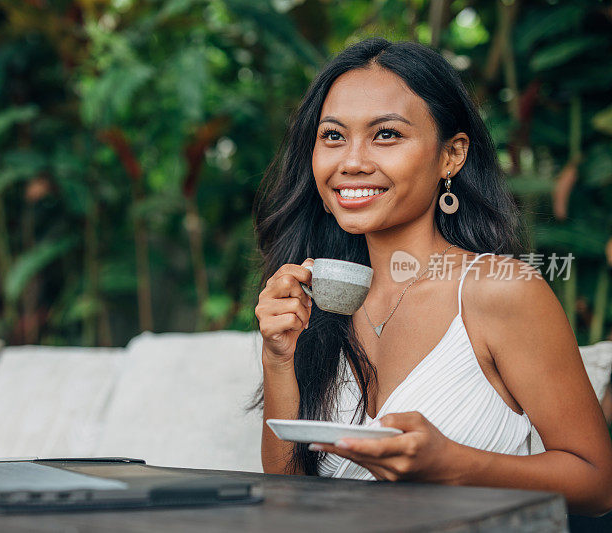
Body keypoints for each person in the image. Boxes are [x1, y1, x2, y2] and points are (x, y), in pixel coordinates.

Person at [251, 37, 612, 516]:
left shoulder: (498, 290)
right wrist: (278, 358)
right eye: (333, 136)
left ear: (452, 155)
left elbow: (597, 484)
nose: (352, 161)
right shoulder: (318, 297)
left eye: (386, 135)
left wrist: (452, 465)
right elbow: (288, 496)